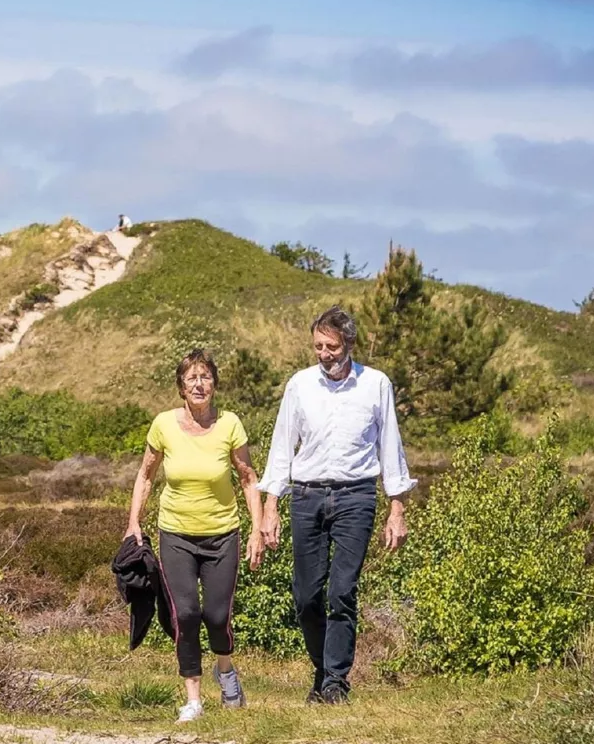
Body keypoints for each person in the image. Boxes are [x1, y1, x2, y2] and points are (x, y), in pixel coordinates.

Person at [258, 306, 414, 706]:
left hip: (356, 497)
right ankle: (321, 670)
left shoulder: (376, 385)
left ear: (349, 344)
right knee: (306, 595)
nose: (324, 354)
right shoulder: (300, 385)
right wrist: (270, 506)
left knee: (342, 591)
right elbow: (281, 446)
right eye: (317, 347)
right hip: (307, 496)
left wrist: (396, 509)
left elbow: (390, 447)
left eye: (331, 346)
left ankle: (335, 682)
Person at [125, 349, 265, 722]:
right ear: (181, 387)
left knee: (217, 616)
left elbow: (248, 479)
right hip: (176, 535)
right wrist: (134, 522)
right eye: (192, 378)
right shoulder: (163, 426)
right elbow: (145, 475)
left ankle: (226, 670)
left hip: (222, 534)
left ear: (214, 384)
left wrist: (257, 529)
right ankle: (194, 699)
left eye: (205, 377)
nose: (199, 384)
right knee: (185, 613)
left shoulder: (230, 424)